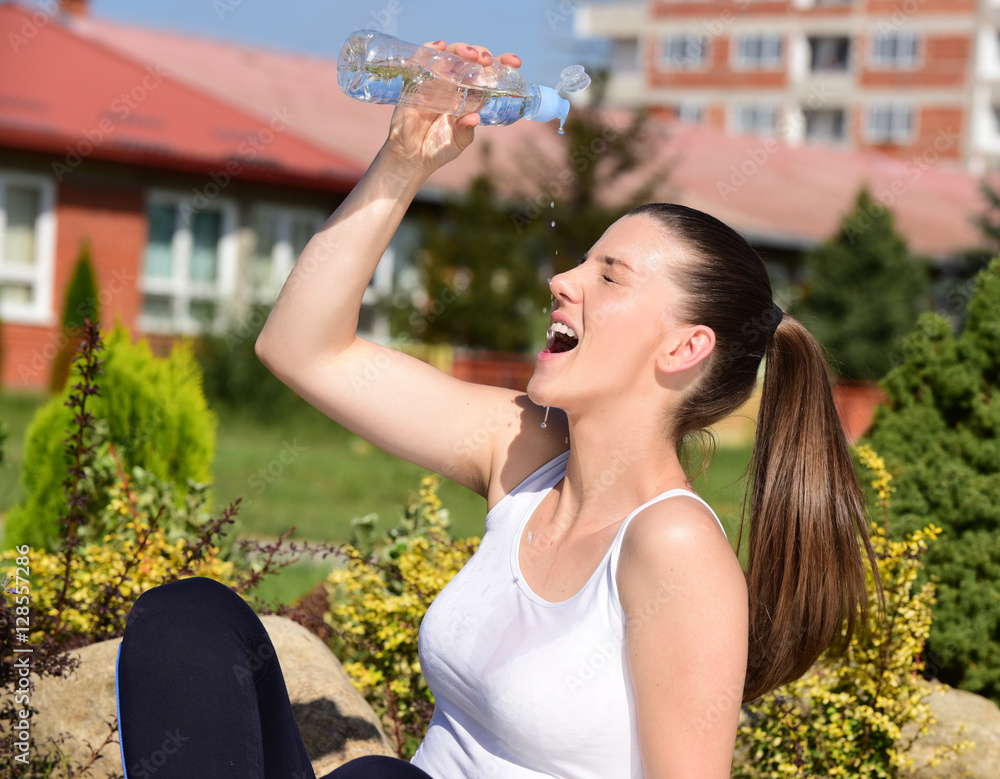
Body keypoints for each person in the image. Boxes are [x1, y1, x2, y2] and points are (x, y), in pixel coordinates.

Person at [116, 41, 878, 779]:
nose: (562, 279)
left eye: (609, 276)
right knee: (189, 622)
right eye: (582, 259)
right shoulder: (524, 452)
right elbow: (301, 349)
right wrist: (407, 162)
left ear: (684, 348)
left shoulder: (670, 542)